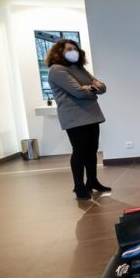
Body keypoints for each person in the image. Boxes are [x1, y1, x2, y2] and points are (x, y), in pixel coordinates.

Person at [46, 39, 110, 200]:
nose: (73, 51)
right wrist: (91, 87)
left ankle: (92, 182)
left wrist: (90, 87)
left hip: (91, 115)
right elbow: (78, 92)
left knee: (91, 150)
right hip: (74, 117)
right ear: (59, 52)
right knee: (80, 152)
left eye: (75, 48)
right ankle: (79, 187)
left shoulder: (79, 68)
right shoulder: (57, 70)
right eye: (68, 49)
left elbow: (102, 87)